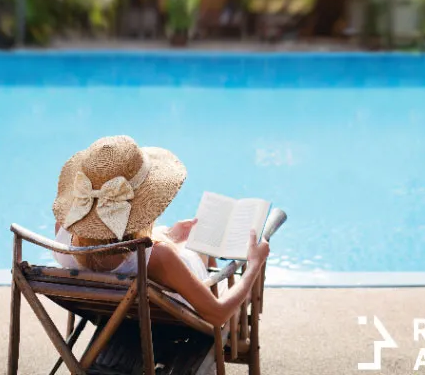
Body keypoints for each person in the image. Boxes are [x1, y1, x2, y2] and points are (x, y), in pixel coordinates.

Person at [52, 135, 269, 326]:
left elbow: (112, 247)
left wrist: (170, 235)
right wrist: (254, 266)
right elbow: (217, 314)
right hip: (180, 321)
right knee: (204, 249)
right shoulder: (159, 258)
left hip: (119, 320)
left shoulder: (63, 235)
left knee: (193, 243)